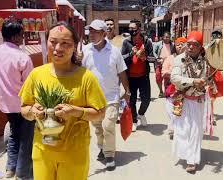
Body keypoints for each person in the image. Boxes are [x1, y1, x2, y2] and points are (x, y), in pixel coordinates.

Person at [19, 21, 107, 180]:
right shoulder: (36, 74)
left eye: (65, 43)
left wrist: (76, 111)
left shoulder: (86, 78)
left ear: (75, 46)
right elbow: (24, 108)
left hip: (74, 153)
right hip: (43, 152)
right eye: (53, 42)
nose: (58, 48)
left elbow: (100, 113)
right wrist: (33, 112)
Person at [0, 21, 34, 179]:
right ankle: (21, 173)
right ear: (15, 37)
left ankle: (10, 169)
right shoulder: (23, 57)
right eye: (22, 35)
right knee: (26, 139)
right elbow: (30, 84)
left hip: (6, 103)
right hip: (24, 104)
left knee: (14, 134)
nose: (23, 38)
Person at [82, 19, 130, 171]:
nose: (92, 34)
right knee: (98, 128)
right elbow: (79, 72)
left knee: (108, 125)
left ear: (104, 34)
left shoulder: (114, 51)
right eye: (90, 31)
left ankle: (109, 155)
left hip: (111, 97)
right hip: (92, 99)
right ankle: (102, 147)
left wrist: (127, 91)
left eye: (96, 32)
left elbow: (122, 72)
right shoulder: (85, 50)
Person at [170, 31, 217, 173]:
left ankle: (192, 160)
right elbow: (174, 78)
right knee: (183, 130)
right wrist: (193, 81)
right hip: (183, 99)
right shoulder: (179, 59)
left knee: (196, 131)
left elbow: (210, 79)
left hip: (199, 101)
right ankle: (185, 154)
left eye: (194, 45)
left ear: (200, 46)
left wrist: (209, 84)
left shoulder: (207, 61)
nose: (190, 47)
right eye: (188, 44)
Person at [121, 19, 153, 132]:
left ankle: (141, 113)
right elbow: (121, 58)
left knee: (146, 99)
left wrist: (145, 57)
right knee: (132, 100)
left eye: (133, 29)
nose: (131, 30)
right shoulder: (126, 42)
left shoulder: (147, 42)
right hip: (131, 77)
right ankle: (134, 121)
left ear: (139, 29)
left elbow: (153, 58)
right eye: (129, 28)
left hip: (143, 76)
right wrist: (131, 53)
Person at [161, 37, 187, 140]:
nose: (180, 46)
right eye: (178, 44)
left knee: (179, 110)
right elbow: (164, 72)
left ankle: (176, 128)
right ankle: (173, 127)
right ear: (174, 46)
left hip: (182, 89)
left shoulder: (188, 59)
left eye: (182, 44)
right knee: (170, 110)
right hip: (170, 88)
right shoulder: (170, 58)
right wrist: (174, 74)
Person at [153, 32, 175, 98]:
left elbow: (174, 53)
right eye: (165, 37)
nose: (167, 38)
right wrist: (157, 58)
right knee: (158, 77)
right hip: (160, 64)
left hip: (169, 64)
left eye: (168, 37)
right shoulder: (158, 44)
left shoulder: (172, 45)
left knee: (167, 79)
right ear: (163, 37)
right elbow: (154, 52)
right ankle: (160, 91)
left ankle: (166, 92)